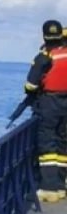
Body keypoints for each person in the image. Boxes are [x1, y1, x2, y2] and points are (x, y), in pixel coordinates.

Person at [24, 19, 67, 202]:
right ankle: (62, 181)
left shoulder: (43, 58)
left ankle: (50, 188)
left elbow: (30, 86)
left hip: (50, 103)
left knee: (47, 143)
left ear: (44, 36)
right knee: (63, 141)